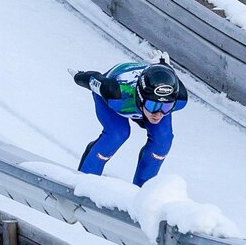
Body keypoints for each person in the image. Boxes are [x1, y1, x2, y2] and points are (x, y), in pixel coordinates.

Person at [73, 57, 188, 186]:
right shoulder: (115, 93)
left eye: (167, 107)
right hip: (119, 97)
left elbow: (168, 72)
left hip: (140, 100)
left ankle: (142, 190)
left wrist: (162, 64)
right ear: (140, 98)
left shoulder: (180, 99)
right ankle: (85, 181)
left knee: (163, 139)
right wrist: (78, 76)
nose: (158, 114)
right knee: (117, 134)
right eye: (153, 106)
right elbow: (92, 79)